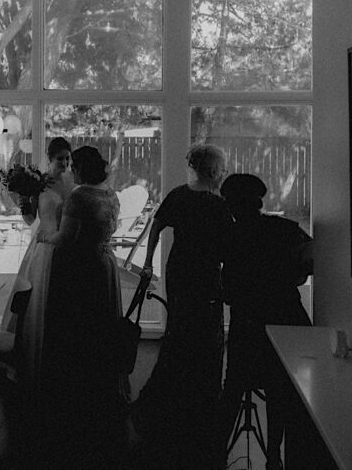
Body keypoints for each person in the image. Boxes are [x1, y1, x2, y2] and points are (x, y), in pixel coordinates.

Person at [133, 144, 232, 469]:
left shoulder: (179, 194)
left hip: (179, 271)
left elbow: (157, 227)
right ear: (215, 170)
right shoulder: (217, 204)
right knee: (205, 333)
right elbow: (228, 249)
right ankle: (200, 399)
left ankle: (169, 394)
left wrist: (149, 263)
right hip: (204, 275)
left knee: (180, 329)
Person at [37, 145, 126, 466]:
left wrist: (45, 235)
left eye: (74, 164)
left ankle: (73, 387)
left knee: (74, 325)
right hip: (104, 263)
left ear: (81, 168)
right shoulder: (110, 195)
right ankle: (99, 381)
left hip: (78, 268)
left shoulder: (79, 197)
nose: (70, 168)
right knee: (99, 324)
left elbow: (66, 238)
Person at [218, 173, 313, 470]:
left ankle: (218, 451)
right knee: (279, 390)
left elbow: (228, 293)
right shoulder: (286, 229)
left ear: (231, 204)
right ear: (258, 201)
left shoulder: (229, 236)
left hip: (248, 323)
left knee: (234, 385)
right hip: (286, 319)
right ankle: (274, 456)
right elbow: (310, 261)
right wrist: (292, 278)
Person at [0, 138, 74, 392]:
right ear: (50, 158)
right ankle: (29, 354)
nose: (64, 163)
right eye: (60, 158)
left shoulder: (74, 180)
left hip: (68, 246)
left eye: (67, 158)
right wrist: (24, 205)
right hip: (43, 246)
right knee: (36, 302)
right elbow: (31, 217)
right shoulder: (39, 182)